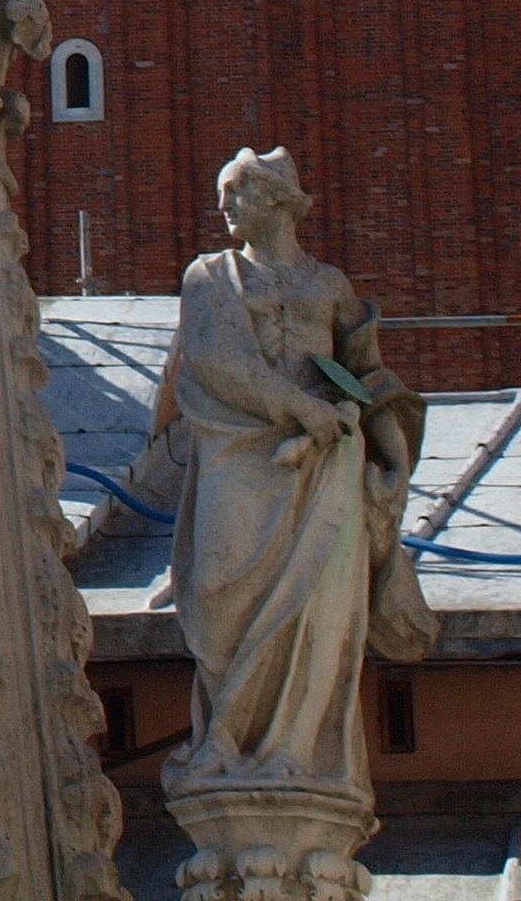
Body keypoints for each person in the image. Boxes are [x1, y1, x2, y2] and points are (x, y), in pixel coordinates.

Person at [157, 149, 437, 802]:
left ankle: (294, 749)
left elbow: (372, 383)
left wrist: (391, 460)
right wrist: (299, 407)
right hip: (242, 455)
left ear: (278, 200)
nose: (223, 207)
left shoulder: (329, 287)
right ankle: (224, 736)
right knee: (217, 590)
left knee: (320, 609)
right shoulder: (209, 279)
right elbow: (214, 361)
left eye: (236, 193)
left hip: (322, 468)